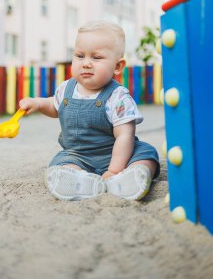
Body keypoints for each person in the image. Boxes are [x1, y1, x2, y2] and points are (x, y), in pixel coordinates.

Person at [19, 21, 160, 201]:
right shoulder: (66, 89)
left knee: (146, 154)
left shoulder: (117, 97)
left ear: (117, 66)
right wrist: (38, 103)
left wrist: (114, 169)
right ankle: (81, 181)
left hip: (117, 154)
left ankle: (132, 176)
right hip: (77, 155)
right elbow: (55, 106)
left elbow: (125, 136)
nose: (86, 63)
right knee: (59, 163)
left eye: (96, 57)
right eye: (79, 56)